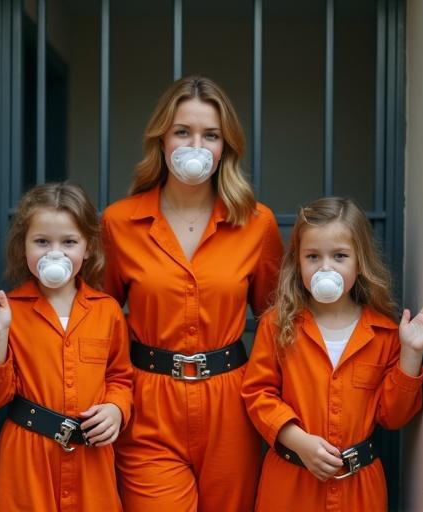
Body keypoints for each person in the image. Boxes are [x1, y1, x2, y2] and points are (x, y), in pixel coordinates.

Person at [102, 76, 284, 511]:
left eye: (211, 135)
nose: (196, 146)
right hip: (148, 404)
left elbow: (280, 323)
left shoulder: (257, 223)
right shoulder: (118, 222)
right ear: (162, 139)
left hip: (231, 403)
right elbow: (95, 319)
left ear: (226, 147)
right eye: (183, 132)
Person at [241, 196, 423, 512]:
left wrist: (411, 353)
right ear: (297, 261)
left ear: (359, 261)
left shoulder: (383, 332)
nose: (325, 267)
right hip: (289, 486)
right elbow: (258, 393)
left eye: (339, 256)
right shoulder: (277, 323)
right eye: (313, 256)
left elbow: (393, 416)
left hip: (360, 491)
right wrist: (299, 441)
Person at [0, 182, 133, 512]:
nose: (55, 252)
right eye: (42, 241)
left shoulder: (107, 309)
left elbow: (121, 378)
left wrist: (116, 409)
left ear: (87, 248)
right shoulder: (7, 311)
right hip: (26, 461)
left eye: (69, 242)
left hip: (91, 462)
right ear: (23, 247)